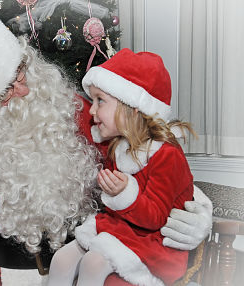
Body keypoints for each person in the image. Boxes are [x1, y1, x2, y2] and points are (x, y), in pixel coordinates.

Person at [0, 13, 212, 286]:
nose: (25, 89)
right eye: (4, 91)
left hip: (85, 265)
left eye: (21, 69)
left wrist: (192, 208)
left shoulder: (76, 112)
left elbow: (149, 155)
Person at [47, 49, 201, 286]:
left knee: (93, 263)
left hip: (154, 241)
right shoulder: (118, 147)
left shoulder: (166, 154)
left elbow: (156, 218)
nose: (91, 110)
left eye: (100, 101)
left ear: (132, 109)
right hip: (122, 228)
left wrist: (124, 195)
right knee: (61, 260)